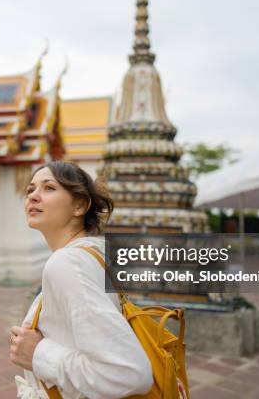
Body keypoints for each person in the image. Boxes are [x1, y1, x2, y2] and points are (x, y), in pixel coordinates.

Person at [9, 161, 153, 399]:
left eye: (49, 188)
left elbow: (129, 373)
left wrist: (38, 353)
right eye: (30, 190)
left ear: (80, 205)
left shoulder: (68, 263)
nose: (33, 196)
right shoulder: (93, 254)